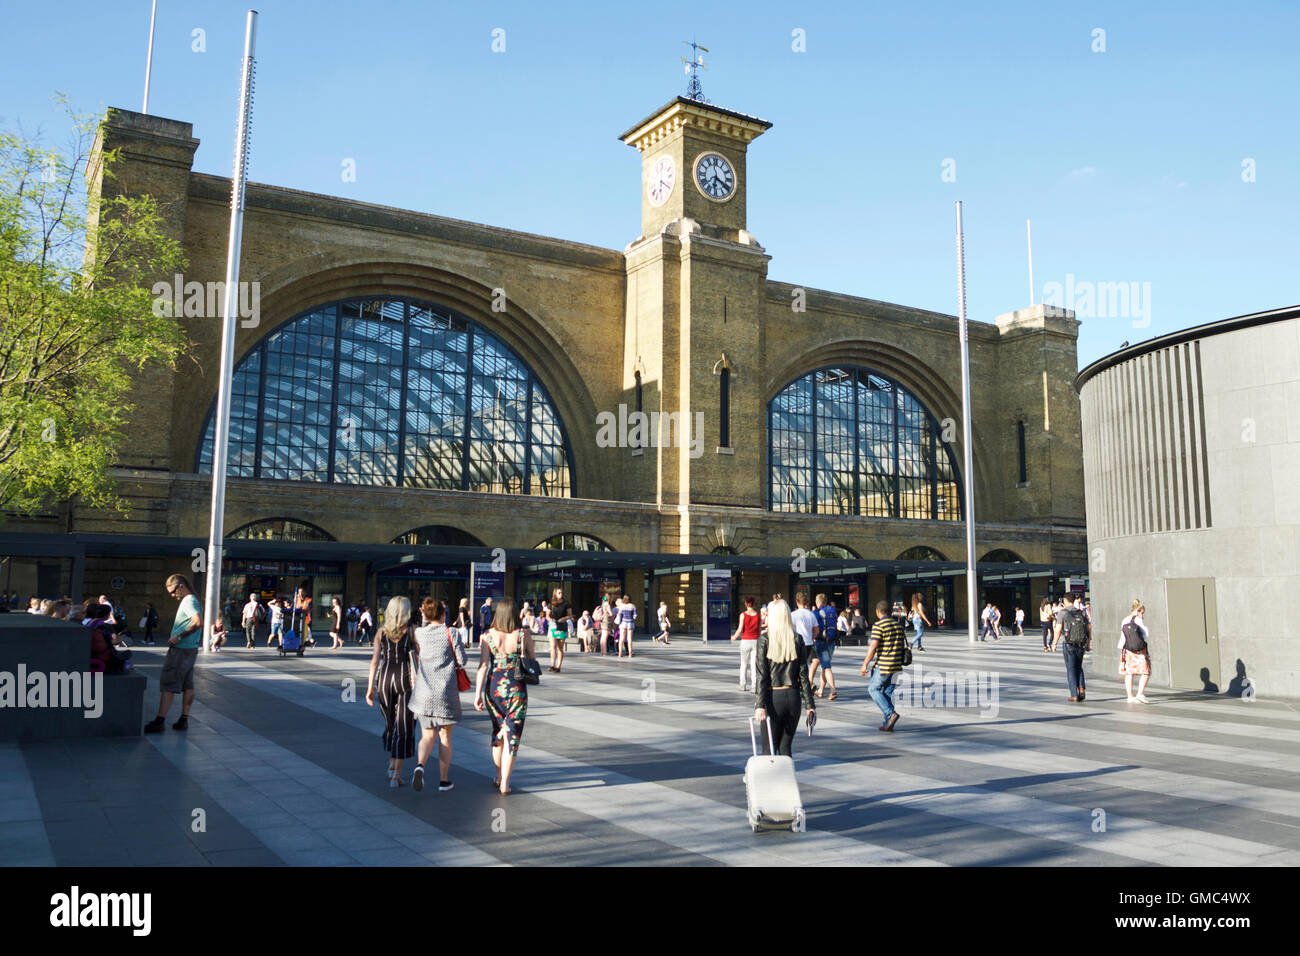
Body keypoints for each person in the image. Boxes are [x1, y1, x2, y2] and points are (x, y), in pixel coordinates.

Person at [474, 597, 532, 795]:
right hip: (516, 688)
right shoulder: (523, 635)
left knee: (498, 732)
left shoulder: (487, 636)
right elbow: (531, 659)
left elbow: (483, 666)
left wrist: (477, 694)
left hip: (493, 687)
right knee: (512, 736)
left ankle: (498, 774)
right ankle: (505, 783)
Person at [408, 598, 466, 792]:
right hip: (445, 693)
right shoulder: (452, 633)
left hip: (424, 693)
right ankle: (443, 780)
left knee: (426, 736)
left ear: (425, 614)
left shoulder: (420, 633)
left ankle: (420, 766)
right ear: (443, 614)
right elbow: (462, 660)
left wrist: (425, 615)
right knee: (445, 737)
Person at [366, 596, 417, 787]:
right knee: (403, 724)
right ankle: (396, 774)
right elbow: (419, 656)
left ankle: (391, 763)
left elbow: (374, 662)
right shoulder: (411, 631)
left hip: (385, 678)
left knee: (390, 723)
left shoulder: (381, 632)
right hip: (405, 678)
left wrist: (370, 687)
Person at [753, 599, 816, 757]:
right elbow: (803, 673)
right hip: (793, 697)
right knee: (785, 748)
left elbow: (762, 675)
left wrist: (759, 704)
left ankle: (770, 781)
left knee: (768, 750)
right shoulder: (797, 639)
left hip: (773, 697)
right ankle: (786, 778)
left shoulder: (765, 640)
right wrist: (810, 704)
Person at [145, 574, 202, 733]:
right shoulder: (193, 599)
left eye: (172, 591)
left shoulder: (189, 601)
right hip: (190, 649)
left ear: (181, 586)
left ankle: (160, 720)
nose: (171, 595)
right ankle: (184, 719)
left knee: (169, 684)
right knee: (187, 684)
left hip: (181, 649)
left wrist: (178, 637)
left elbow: (198, 622)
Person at [861, 600, 907, 732]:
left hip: (884, 665)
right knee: (887, 692)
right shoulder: (898, 625)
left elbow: (873, 646)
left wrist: (865, 664)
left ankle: (890, 713)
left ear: (877, 612)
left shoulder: (879, 625)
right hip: (897, 666)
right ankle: (888, 723)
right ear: (890, 612)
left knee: (873, 689)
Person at [1051, 592, 1091, 702]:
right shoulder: (1081, 612)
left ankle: (1074, 694)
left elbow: (1058, 630)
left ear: (1065, 600)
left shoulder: (1063, 613)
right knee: (1079, 667)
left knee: (1071, 669)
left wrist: (1054, 644)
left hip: (1069, 644)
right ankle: (1082, 688)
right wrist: (1088, 643)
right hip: (1081, 644)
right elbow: (1089, 627)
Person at [1119, 599, 1152, 703]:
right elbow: (1145, 634)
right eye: (1142, 613)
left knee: (1129, 673)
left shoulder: (1124, 620)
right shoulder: (1138, 620)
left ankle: (1130, 696)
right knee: (1146, 671)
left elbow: (1122, 637)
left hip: (1127, 650)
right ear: (1138, 610)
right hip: (1139, 651)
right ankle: (1140, 694)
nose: (1142, 615)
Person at [730, 596, 761, 692]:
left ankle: (742, 685)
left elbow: (740, 629)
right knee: (753, 665)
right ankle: (754, 686)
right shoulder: (758, 615)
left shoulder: (743, 615)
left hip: (745, 641)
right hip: (755, 641)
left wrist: (734, 637)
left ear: (745, 604)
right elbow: (759, 630)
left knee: (743, 663)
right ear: (753, 603)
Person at [812, 593, 839, 700]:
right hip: (832, 641)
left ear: (817, 602)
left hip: (821, 641)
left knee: (826, 666)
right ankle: (821, 691)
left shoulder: (816, 612)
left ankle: (833, 691)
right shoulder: (832, 610)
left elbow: (814, 627)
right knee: (824, 666)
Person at [548, 587, 571, 673]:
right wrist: (551, 620)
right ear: (555, 594)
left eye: (561, 592)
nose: (561, 594)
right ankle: (552, 665)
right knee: (552, 646)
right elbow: (547, 615)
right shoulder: (551, 603)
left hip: (562, 625)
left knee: (560, 647)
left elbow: (570, 615)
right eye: (559, 593)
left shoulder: (566, 603)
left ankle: (558, 666)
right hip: (553, 625)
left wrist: (564, 618)